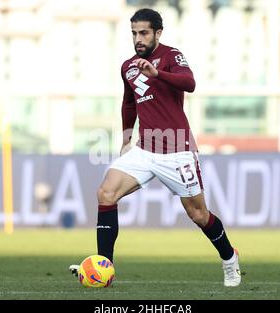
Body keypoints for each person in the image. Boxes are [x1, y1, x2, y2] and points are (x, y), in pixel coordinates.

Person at [70, 8, 241, 287]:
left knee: (198, 214)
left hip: (177, 148)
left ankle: (229, 259)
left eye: (144, 33)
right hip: (145, 149)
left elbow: (190, 83)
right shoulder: (128, 66)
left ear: (157, 33)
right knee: (106, 193)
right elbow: (129, 102)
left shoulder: (172, 56)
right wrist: (126, 137)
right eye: (134, 33)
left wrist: (158, 73)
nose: (138, 38)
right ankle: (104, 269)